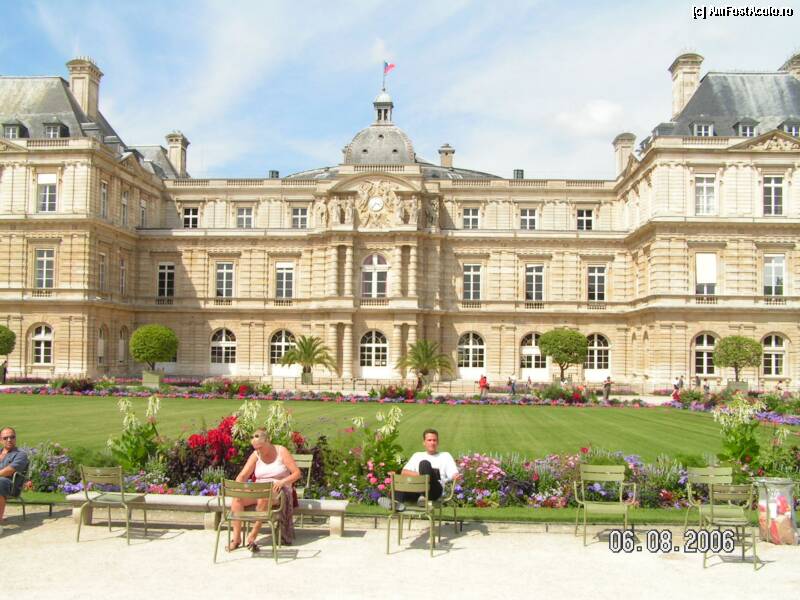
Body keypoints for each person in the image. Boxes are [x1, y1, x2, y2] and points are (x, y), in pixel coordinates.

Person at [226, 428, 301, 552]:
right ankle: (236, 538)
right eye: (256, 448)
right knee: (237, 499)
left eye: (260, 447)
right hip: (259, 488)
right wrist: (239, 486)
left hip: (279, 489)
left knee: (264, 497)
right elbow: (243, 475)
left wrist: (282, 482)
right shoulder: (256, 454)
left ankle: (253, 534)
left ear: (268, 441)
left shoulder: (281, 451)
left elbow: (297, 473)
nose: (258, 450)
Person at [379, 429, 460, 511]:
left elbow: (453, 474)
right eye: (429, 440)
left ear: (438, 442)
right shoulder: (417, 455)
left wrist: (455, 476)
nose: (432, 443)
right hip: (416, 491)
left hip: (434, 490)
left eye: (434, 440)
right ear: (424, 442)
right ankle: (395, 503)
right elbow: (404, 472)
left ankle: (423, 497)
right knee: (402, 484)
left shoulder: (445, 456)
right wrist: (422, 475)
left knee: (424, 464)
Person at [0, 427, 28, 523]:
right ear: (0, 440)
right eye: (5, 438)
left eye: (12, 437)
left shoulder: (21, 455)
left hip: (11, 486)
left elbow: (10, 470)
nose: (9, 440)